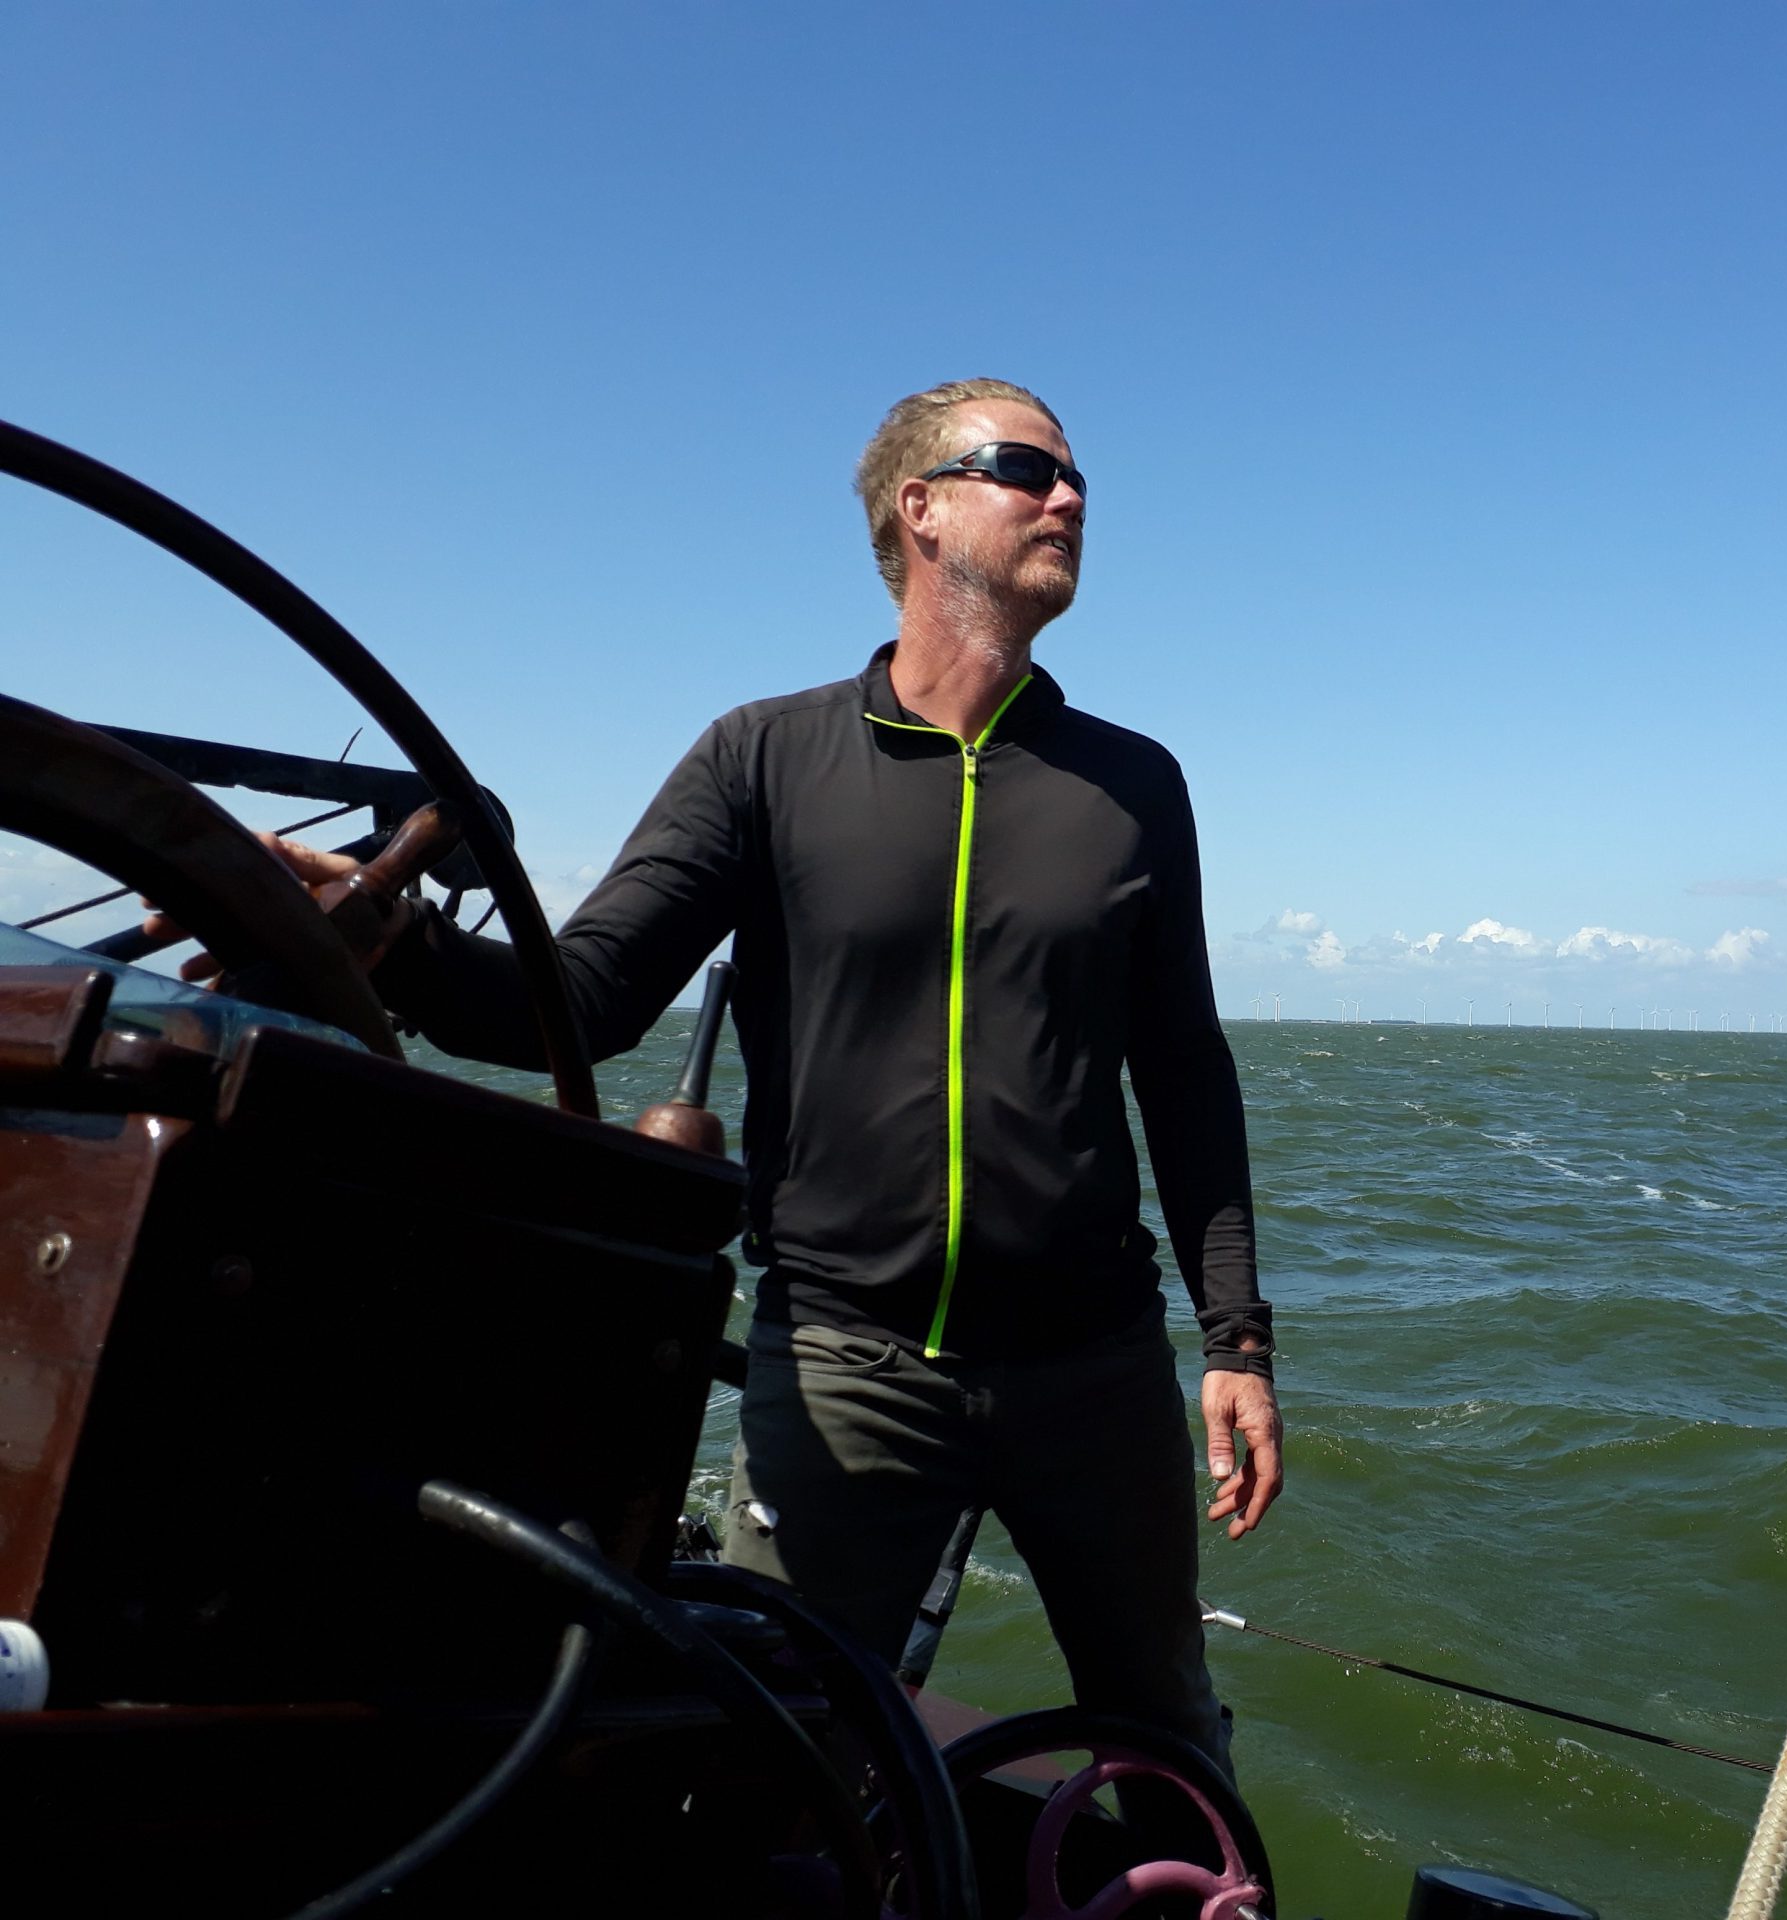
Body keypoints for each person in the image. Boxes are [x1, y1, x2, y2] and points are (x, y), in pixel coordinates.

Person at [229, 378, 1282, 1775]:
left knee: (1164, 1747)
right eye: (1026, 469)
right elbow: (583, 999)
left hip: (1092, 1367)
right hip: (848, 1362)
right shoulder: (764, 757)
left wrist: (1237, 1344)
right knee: (779, 1753)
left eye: (1077, 480)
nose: (1068, 499)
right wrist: (394, 939)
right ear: (919, 509)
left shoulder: (1135, 784)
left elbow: (1187, 1075)